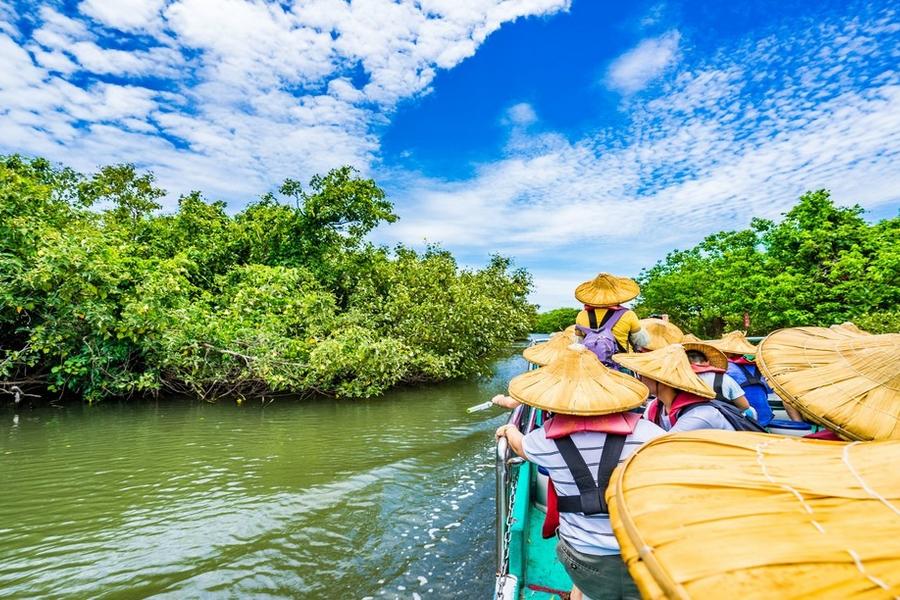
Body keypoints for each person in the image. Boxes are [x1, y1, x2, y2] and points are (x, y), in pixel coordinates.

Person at [495, 343, 664, 600]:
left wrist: (509, 430)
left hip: (584, 559)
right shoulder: (650, 435)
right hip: (643, 555)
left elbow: (520, 447)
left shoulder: (543, 441)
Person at [612, 344, 739, 432]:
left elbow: (658, 447)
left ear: (663, 381)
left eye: (642, 374)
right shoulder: (655, 407)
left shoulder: (699, 415)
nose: (638, 378)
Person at [572, 273, 650, 361]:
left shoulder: (581, 315)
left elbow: (578, 342)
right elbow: (643, 342)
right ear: (618, 293)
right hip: (623, 363)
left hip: (593, 365)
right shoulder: (628, 314)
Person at [708, 331, 774, 426]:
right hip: (765, 417)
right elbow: (769, 390)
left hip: (743, 421)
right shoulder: (759, 367)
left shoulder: (726, 368)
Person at [683, 344, 756, 419]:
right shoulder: (725, 378)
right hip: (722, 423)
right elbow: (744, 406)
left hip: (689, 422)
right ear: (707, 362)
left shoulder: (678, 381)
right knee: (751, 411)